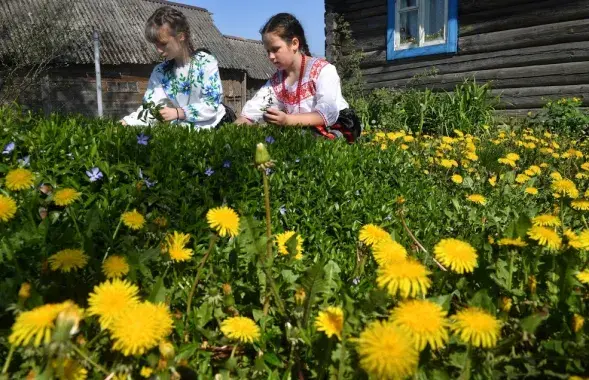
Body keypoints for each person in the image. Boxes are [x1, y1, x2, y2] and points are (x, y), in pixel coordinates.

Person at [235, 13, 361, 143]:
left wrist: (288, 120)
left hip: (336, 126)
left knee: (294, 139)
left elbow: (327, 114)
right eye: (268, 51)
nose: (271, 56)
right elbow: (251, 113)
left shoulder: (323, 71)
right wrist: (230, 134)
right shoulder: (276, 83)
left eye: (276, 49)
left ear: (294, 43)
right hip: (301, 129)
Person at [121, 6, 235, 128]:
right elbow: (150, 108)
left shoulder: (205, 61)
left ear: (181, 37)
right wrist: (126, 123)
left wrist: (179, 112)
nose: (158, 50)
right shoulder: (160, 72)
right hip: (187, 130)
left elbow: (212, 104)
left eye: (163, 44)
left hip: (216, 125)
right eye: (156, 44)